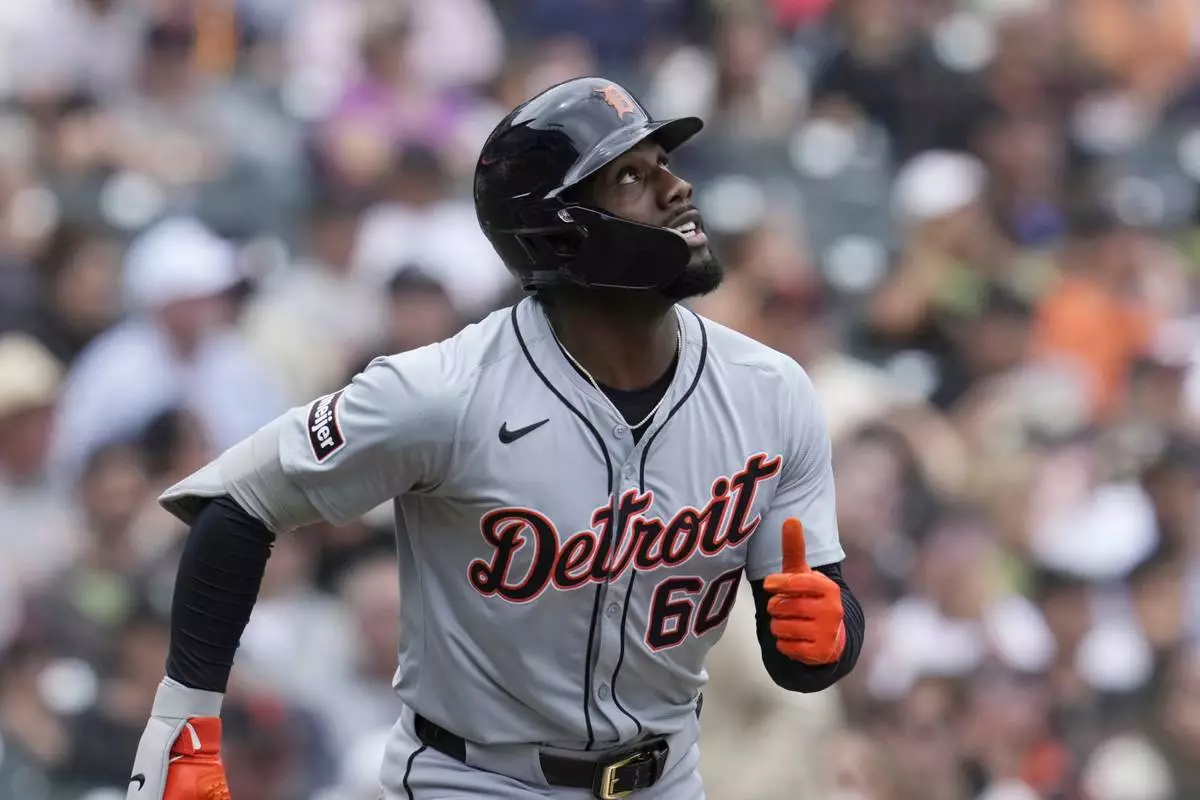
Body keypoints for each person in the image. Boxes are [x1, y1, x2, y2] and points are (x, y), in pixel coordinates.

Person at [124, 76, 865, 800]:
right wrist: (184, 725)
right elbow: (239, 503)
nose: (678, 190)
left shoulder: (770, 393)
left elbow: (802, 653)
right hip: (474, 778)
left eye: (665, 166)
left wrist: (832, 633)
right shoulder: (442, 393)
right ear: (560, 231)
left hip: (665, 776)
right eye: (633, 176)